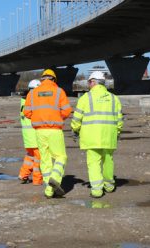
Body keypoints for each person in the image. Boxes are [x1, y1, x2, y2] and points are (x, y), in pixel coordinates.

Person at [71, 71, 123, 198]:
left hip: (91, 137)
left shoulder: (85, 98)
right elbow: (119, 120)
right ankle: (109, 186)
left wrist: (75, 130)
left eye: (89, 82)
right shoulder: (114, 98)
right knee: (108, 161)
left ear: (93, 82)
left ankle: (97, 190)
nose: (88, 84)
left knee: (93, 163)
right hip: (109, 136)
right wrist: (117, 133)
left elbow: (77, 119)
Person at [24, 69, 72, 198]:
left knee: (45, 160)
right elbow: (67, 111)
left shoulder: (33, 93)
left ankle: (49, 190)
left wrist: (39, 117)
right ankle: (55, 177)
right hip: (55, 130)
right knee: (61, 157)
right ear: (54, 80)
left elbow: (27, 112)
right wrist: (57, 117)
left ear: (42, 79)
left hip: (39, 131)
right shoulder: (59, 91)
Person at [18, 79, 43, 185]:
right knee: (39, 158)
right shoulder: (33, 101)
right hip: (34, 134)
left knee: (30, 156)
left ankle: (23, 175)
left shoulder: (23, 101)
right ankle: (37, 180)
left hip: (27, 136)